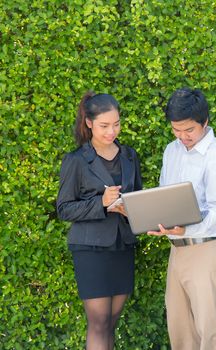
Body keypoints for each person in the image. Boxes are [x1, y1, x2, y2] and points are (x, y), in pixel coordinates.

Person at [147, 88, 216, 350]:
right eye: (176, 129)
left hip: (207, 248)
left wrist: (186, 227)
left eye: (189, 130)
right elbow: (164, 194)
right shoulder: (171, 150)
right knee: (180, 329)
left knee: (210, 333)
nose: (182, 136)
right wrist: (153, 219)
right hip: (177, 249)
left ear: (204, 122)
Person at [56, 91, 142, 349]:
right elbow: (64, 209)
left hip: (123, 245)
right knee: (99, 322)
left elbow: (138, 197)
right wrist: (102, 203)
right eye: (104, 125)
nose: (111, 131)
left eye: (116, 124)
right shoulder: (76, 160)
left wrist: (131, 209)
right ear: (89, 123)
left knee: (112, 321)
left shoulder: (129, 156)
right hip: (90, 248)